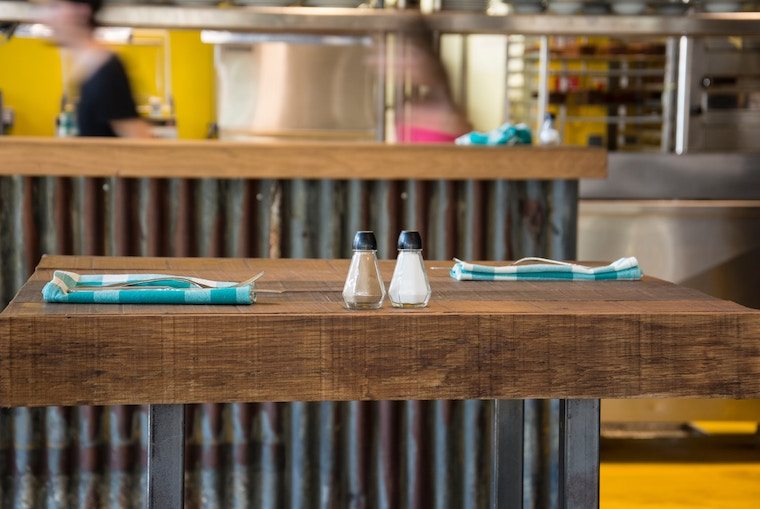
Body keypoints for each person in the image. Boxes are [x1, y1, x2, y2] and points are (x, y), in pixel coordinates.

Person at [41, 0, 151, 137]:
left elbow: (139, 137)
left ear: (82, 10)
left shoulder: (107, 71)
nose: (44, 18)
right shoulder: (89, 68)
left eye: (54, 7)